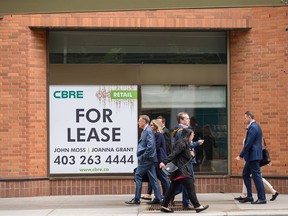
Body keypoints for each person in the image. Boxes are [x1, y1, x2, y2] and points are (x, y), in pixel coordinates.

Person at [159, 128, 209, 213]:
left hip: (178, 171)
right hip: (182, 170)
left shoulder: (185, 143)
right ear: (188, 135)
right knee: (190, 187)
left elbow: (185, 157)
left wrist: (191, 155)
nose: (193, 137)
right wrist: (164, 162)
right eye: (192, 135)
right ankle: (197, 206)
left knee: (172, 189)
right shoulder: (181, 144)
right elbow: (174, 154)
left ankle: (164, 205)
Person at [125, 115, 162, 205]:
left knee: (138, 175)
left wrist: (143, 156)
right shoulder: (146, 130)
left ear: (144, 121)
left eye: (139, 121)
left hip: (147, 159)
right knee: (153, 178)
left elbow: (150, 145)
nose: (138, 123)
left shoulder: (148, 130)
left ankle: (137, 199)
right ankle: (158, 198)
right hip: (150, 158)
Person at [235, 111, 267, 204]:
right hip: (251, 157)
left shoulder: (253, 127)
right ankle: (249, 196)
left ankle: (262, 198)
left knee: (257, 176)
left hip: (253, 156)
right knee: (245, 174)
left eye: (245, 118)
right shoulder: (255, 126)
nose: (244, 119)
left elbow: (248, 143)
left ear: (249, 117)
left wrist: (240, 156)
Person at [141, 119, 170, 200]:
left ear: (155, 126)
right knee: (157, 178)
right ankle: (160, 196)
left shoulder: (158, 135)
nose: (150, 126)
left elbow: (155, 147)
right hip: (157, 159)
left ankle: (168, 195)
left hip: (159, 159)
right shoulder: (156, 134)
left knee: (163, 178)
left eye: (152, 125)